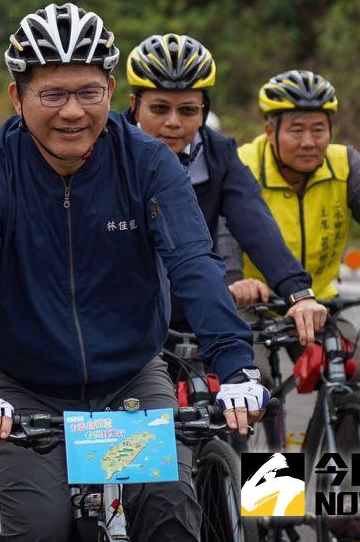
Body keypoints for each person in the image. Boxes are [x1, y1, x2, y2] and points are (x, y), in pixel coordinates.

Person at [0, 3, 269, 541]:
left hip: (128, 380)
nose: (73, 112)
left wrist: (236, 365)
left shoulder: (146, 161)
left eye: (88, 93)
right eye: (53, 94)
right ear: (16, 97)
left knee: (167, 517)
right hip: (24, 387)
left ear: (112, 92)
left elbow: (192, 260)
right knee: (40, 530)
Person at [226, 69, 360, 402]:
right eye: (296, 130)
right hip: (253, 305)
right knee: (252, 388)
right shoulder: (242, 163)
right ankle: (252, 456)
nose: (309, 142)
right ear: (270, 132)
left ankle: (341, 447)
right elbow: (224, 229)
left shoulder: (344, 164)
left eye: (319, 129)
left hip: (318, 304)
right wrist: (232, 282)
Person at [124, 34, 327, 344]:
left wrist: (298, 292)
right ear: (135, 105)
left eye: (188, 111)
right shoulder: (106, 147)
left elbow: (253, 221)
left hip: (196, 312)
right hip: (122, 316)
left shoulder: (219, 155)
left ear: (205, 111)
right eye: (160, 108)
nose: (173, 123)